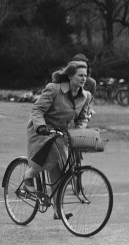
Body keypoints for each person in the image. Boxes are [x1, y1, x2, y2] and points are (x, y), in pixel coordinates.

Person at [23, 61, 93, 214]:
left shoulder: (86, 96)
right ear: (70, 76)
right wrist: (41, 126)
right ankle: (28, 176)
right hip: (41, 131)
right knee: (51, 157)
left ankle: (58, 210)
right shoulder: (53, 89)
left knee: (59, 173)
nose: (83, 79)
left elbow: (82, 118)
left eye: (85, 76)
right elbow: (37, 110)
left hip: (61, 133)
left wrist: (80, 131)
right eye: (80, 75)